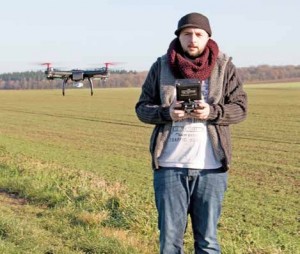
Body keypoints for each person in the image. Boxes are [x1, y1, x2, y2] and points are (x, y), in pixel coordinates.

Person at [135, 12, 247, 254]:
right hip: (169, 167)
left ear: (208, 37)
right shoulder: (161, 66)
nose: (193, 39)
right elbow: (142, 108)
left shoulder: (225, 68)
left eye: (198, 34)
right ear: (179, 37)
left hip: (212, 169)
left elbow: (240, 109)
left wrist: (212, 111)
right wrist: (167, 113)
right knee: (169, 243)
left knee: (207, 242)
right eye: (187, 34)